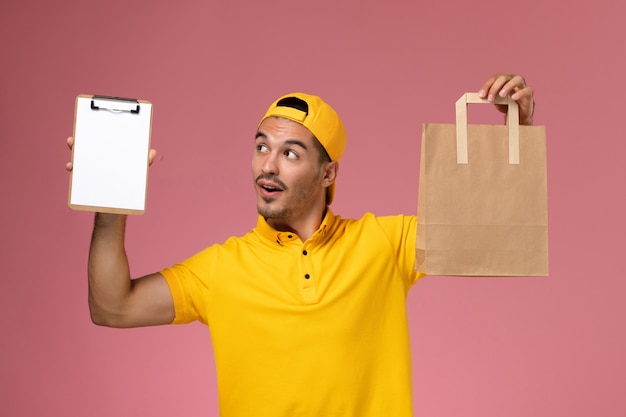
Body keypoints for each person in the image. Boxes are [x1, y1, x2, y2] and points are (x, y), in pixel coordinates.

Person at [66, 73, 535, 417]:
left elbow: (496, 232)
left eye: (290, 153)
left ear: (328, 173)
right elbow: (113, 307)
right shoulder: (219, 269)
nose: (267, 165)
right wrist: (111, 203)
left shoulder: (386, 243)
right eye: (261, 147)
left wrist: (517, 130)